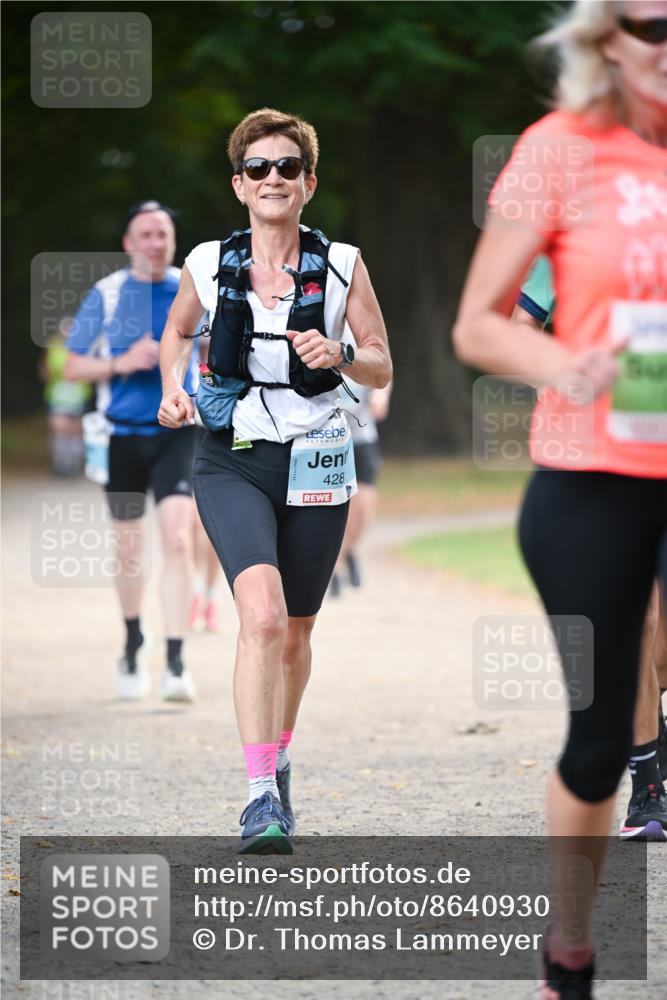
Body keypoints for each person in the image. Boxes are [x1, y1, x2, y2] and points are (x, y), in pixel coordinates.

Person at [453, 3, 667, 997]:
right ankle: (569, 948)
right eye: (653, 24)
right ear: (606, 38)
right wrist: (564, 364)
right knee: (596, 749)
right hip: (593, 478)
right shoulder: (559, 148)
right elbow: (480, 326)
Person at [158, 108, 392, 853]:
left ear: (307, 182)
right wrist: (172, 384)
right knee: (259, 614)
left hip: (319, 455)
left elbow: (383, 362)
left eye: (286, 167)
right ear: (238, 184)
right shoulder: (203, 263)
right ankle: (259, 798)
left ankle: (278, 757)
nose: (272, 178)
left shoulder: (345, 263)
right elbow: (176, 333)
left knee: (294, 632)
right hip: (232, 456)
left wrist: (341, 351)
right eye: (257, 167)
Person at [514, 257, 667, 833]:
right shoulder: (575, 246)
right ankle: (647, 787)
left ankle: (651, 722)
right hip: (604, 455)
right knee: (643, 617)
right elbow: (519, 328)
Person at [63, 200, 199, 703]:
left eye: (163, 234)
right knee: (128, 548)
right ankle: (133, 641)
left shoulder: (193, 287)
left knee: (179, 539)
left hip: (177, 433)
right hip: (121, 438)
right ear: (128, 243)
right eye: (145, 235)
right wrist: (122, 362)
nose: (155, 243)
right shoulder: (107, 294)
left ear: (172, 240)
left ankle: (177, 660)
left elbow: (213, 359)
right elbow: (73, 368)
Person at [329, 366, 392, 596]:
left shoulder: (360, 339)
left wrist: (381, 393)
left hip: (362, 437)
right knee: (332, 506)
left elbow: (384, 369)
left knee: (363, 508)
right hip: (328, 439)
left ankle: (349, 550)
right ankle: (333, 568)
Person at [39, 317, 92, 477]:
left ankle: (74, 464)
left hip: (79, 395)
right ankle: (60, 464)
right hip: (58, 395)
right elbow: (44, 370)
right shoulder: (53, 346)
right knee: (59, 428)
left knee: (76, 431)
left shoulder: (84, 347)